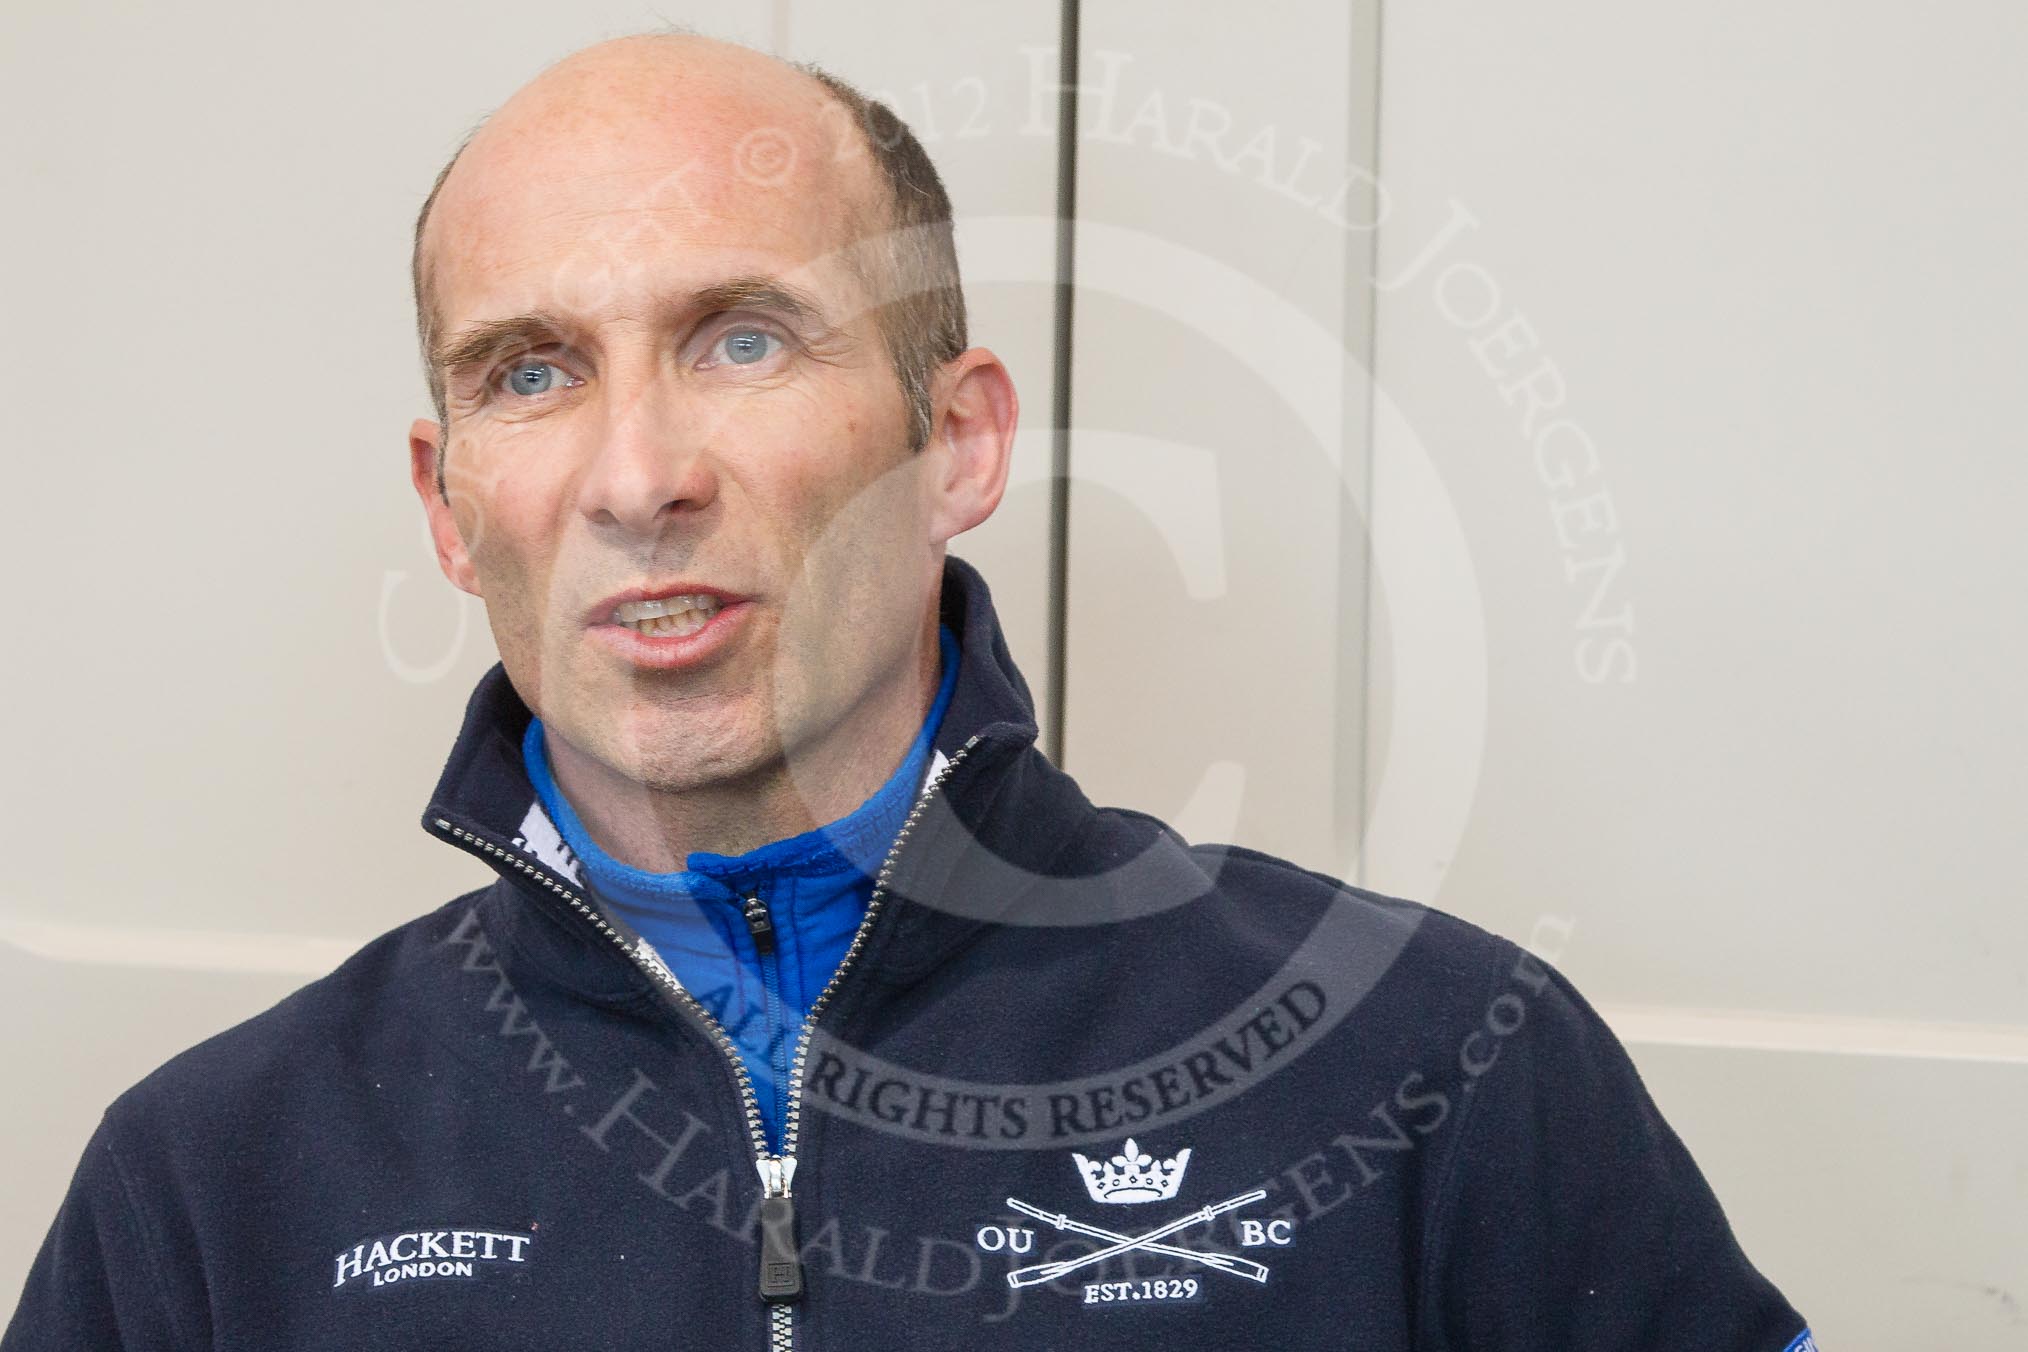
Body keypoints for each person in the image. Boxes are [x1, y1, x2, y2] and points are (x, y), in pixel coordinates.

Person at [3, 29, 1818, 1352]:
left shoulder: (1444, 1072)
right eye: (533, 371)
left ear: (955, 442)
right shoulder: (208, 1189)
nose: (639, 480)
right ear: (449, 498)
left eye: (743, 338)